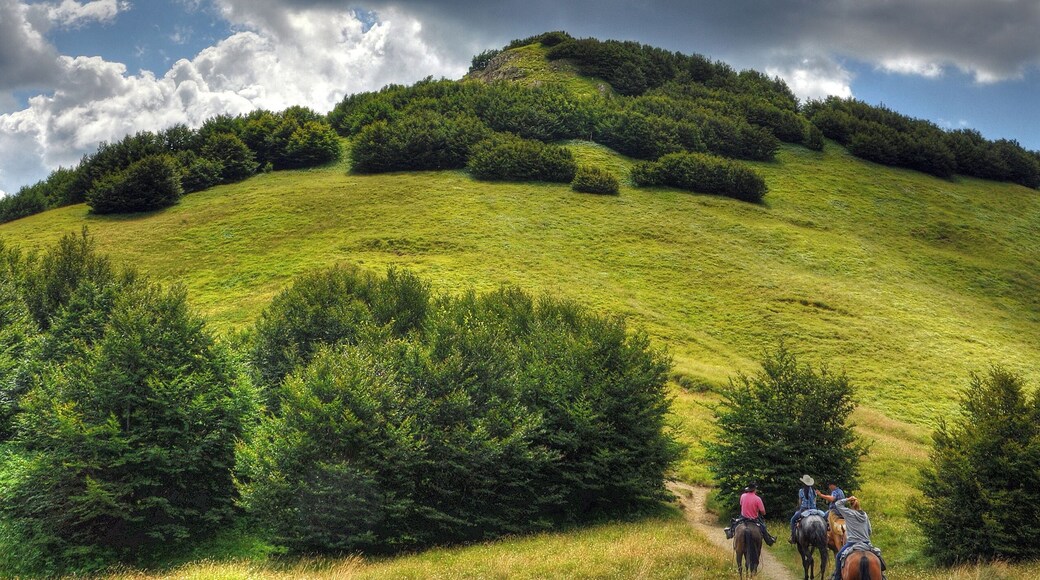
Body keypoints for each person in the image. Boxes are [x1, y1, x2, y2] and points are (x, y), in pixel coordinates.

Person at [831, 496, 886, 580]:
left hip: (852, 543)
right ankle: (883, 577)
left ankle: (837, 577)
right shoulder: (864, 515)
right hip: (866, 543)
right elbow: (869, 530)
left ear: (851, 505)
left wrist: (848, 499)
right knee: (878, 557)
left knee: (838, 556)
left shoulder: (848, 513)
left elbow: (838, 504)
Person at [789, 474, 818, 543]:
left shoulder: (801, 491)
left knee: (792, 520)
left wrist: (798, 507)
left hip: (804, 510)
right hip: (814, 510)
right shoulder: (814, 491)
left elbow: (800, 502)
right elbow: (815, 502)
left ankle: (793, 537)